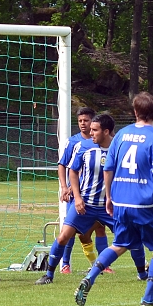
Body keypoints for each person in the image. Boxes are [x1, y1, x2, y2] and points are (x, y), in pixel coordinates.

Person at [74, 92, 153, 306]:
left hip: (121, 201)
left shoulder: (121, 134)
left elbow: (108, 167)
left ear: (135, 112)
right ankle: (148, 297)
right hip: (144, 203)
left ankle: (90, 277)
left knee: (120, 244)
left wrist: (110, 197)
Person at [35, 114, 116, 285]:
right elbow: (70, 169)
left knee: (128, 234)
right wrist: (73, 194)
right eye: (81, 121)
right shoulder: (80, 145)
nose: (88, 130)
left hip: (108, 205)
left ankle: (142, 272)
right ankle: (51, 273)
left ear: (105, 131)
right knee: (65, 236)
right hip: (84, 203)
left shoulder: (118, 148)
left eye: (93, 128)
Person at [57, 107, 109, 274]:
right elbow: (64, 165)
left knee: (100, 228)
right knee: (70, 230)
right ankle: (65, 264)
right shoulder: (74, 142)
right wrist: (65, 187)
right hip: (77, 195)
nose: (82, 124)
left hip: (96, 195)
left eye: (86, 121)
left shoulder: (105, 143)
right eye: (80, 121)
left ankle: (103, 265)